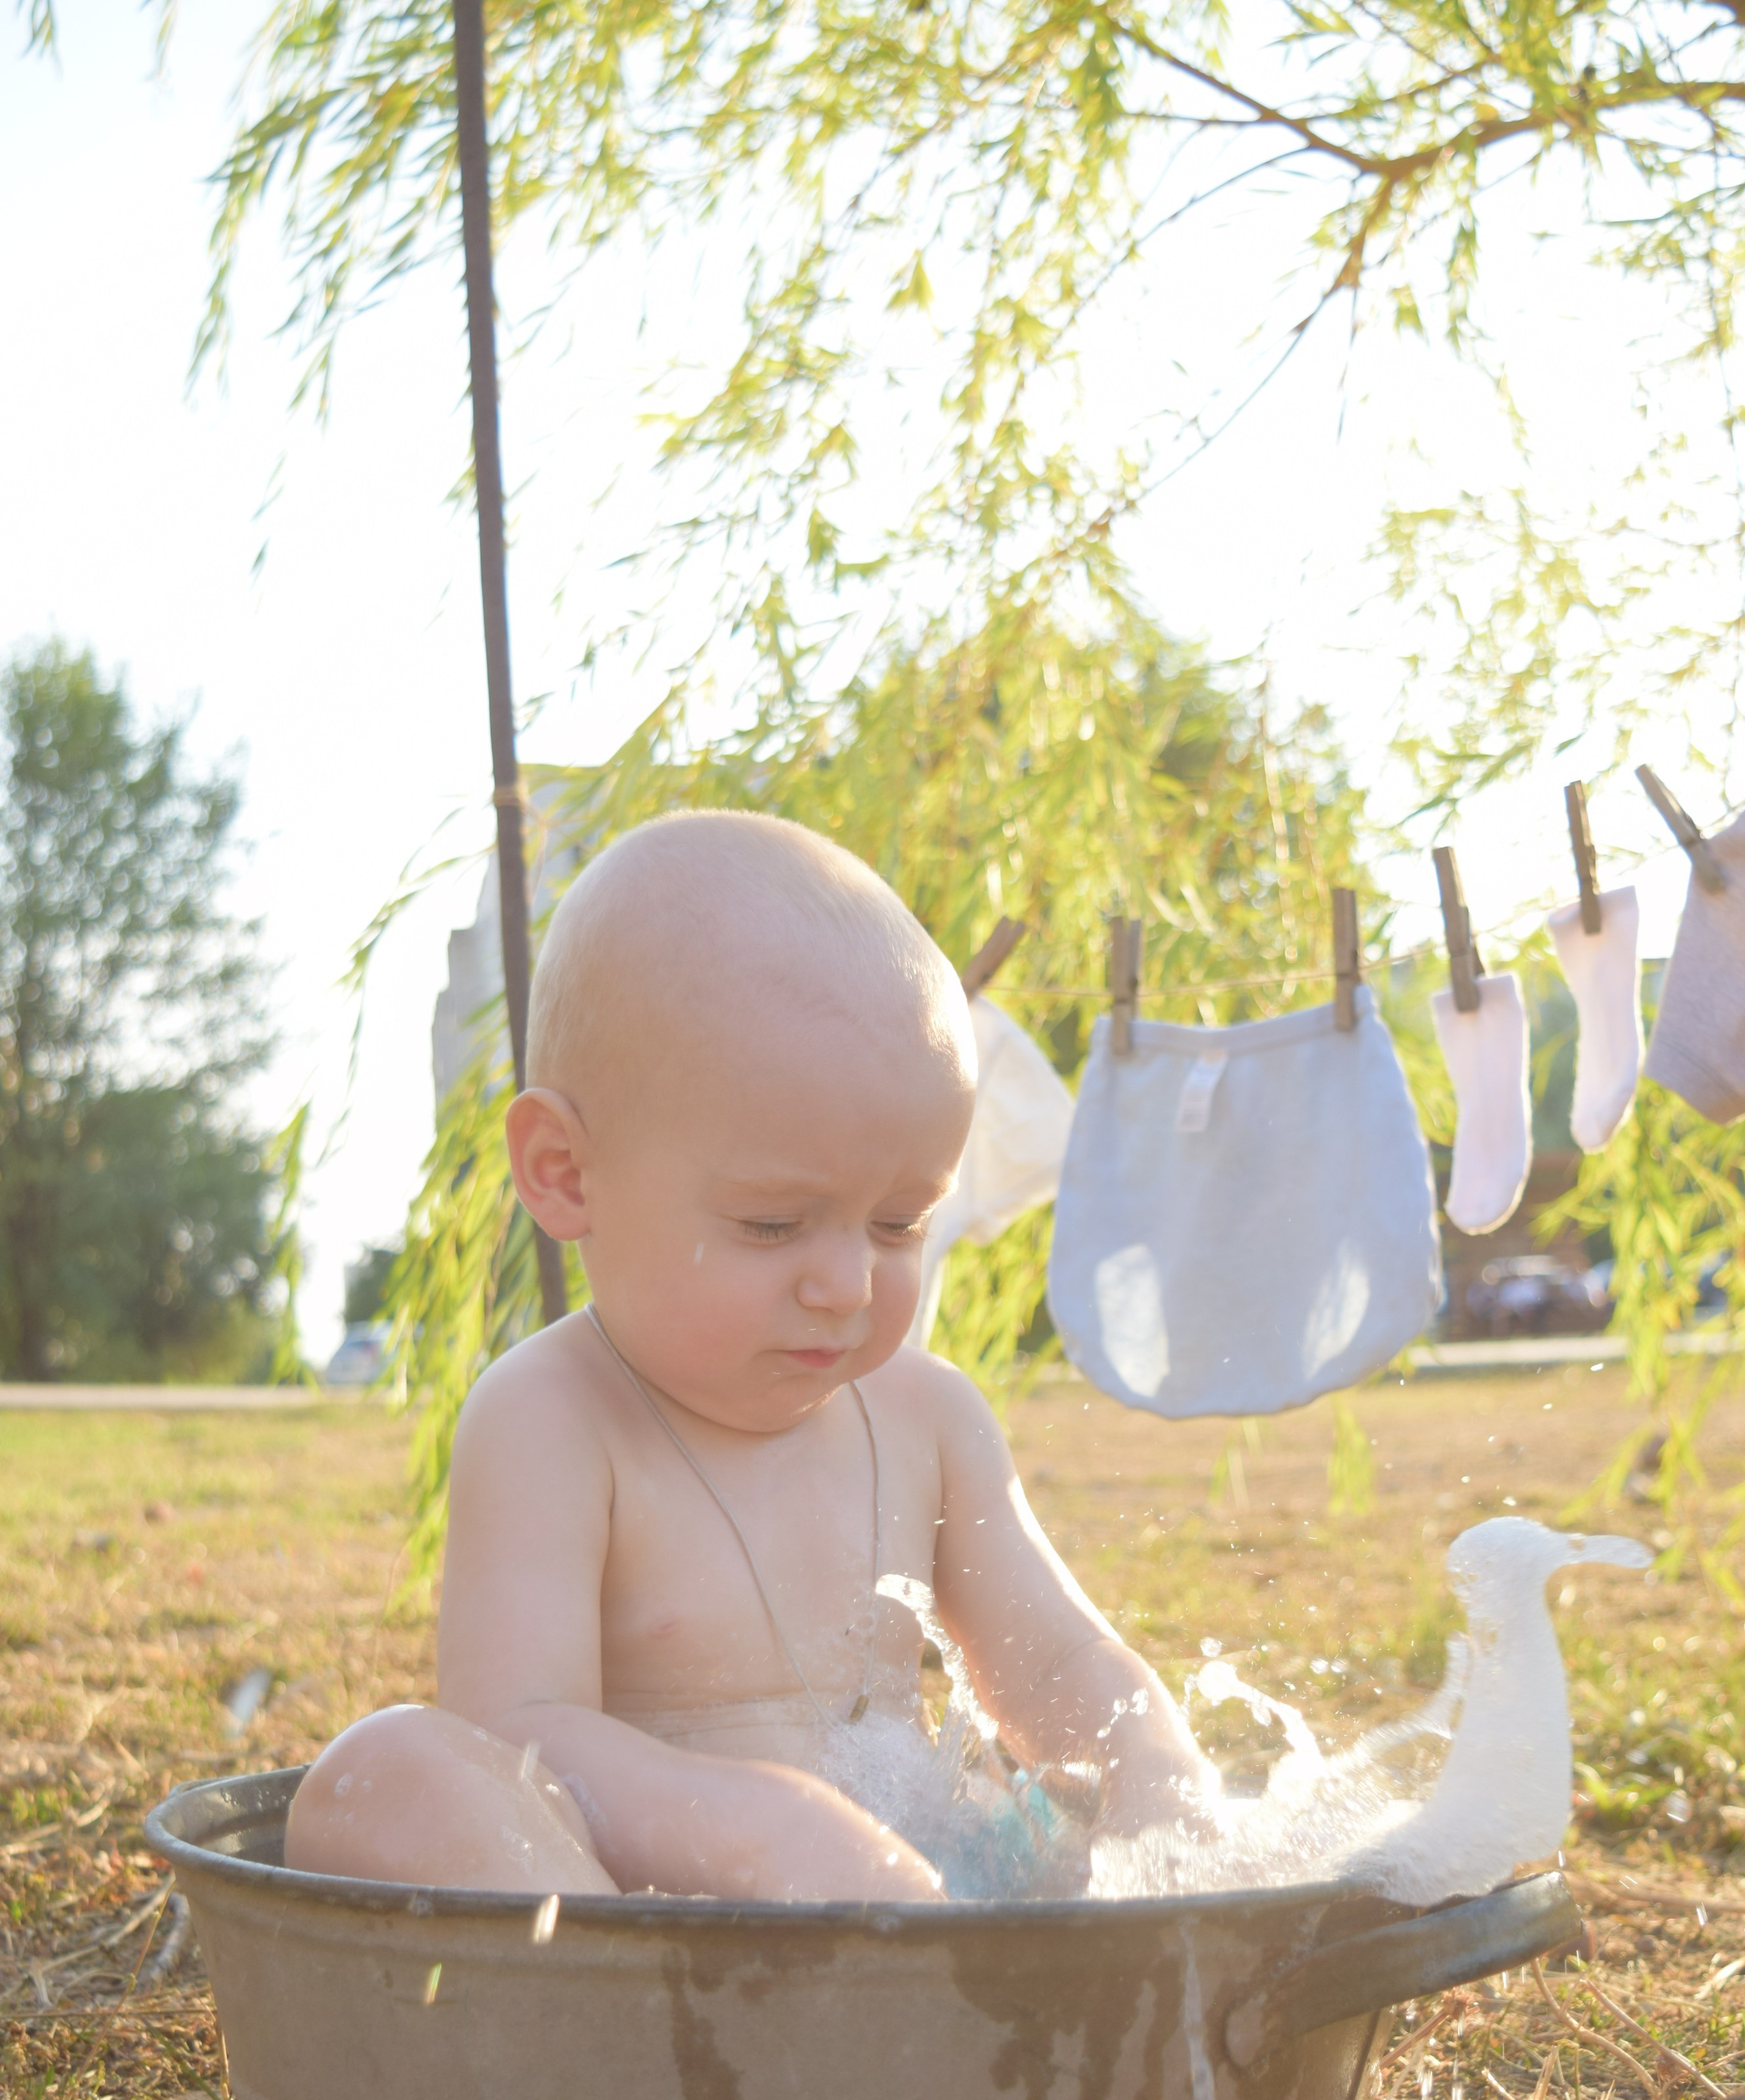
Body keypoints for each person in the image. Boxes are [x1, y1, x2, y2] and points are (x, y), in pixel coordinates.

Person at [286, 811, 1217, 1902]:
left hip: (933, 1916)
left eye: (899, 1223)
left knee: (1100, 1809)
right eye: (774, 1226)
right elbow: (517, 1735)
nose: (851, 1287)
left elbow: (1060, 1665)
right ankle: (606, 2047)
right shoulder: (552, 1418)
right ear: (566, 1175)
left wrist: (1160, 1782)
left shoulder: (928, 1420)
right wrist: (755, 1833)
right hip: (677, 1940)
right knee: (393, 1771)